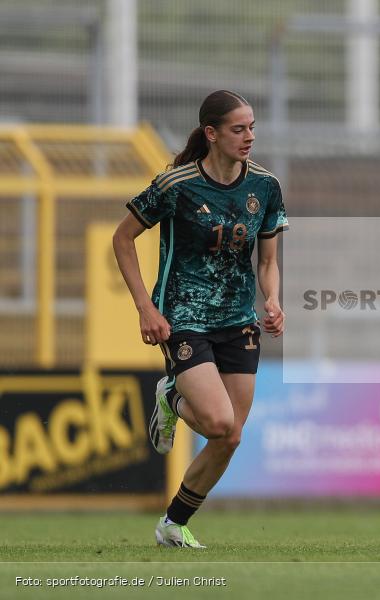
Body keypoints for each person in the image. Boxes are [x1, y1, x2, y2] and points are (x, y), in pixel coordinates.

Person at [112, 90, 289, 548]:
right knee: (215, 422)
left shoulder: (265, 187)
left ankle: (173, 523)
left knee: (230, 436)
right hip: (184, 317)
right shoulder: (177, 185)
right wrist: (145, 308)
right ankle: (172, 397)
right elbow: (123, 239)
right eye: (238, 129)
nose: (249, 136)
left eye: (252, 127)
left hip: (238, 319)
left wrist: (272, 300)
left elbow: (267, 261)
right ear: (211, 134)